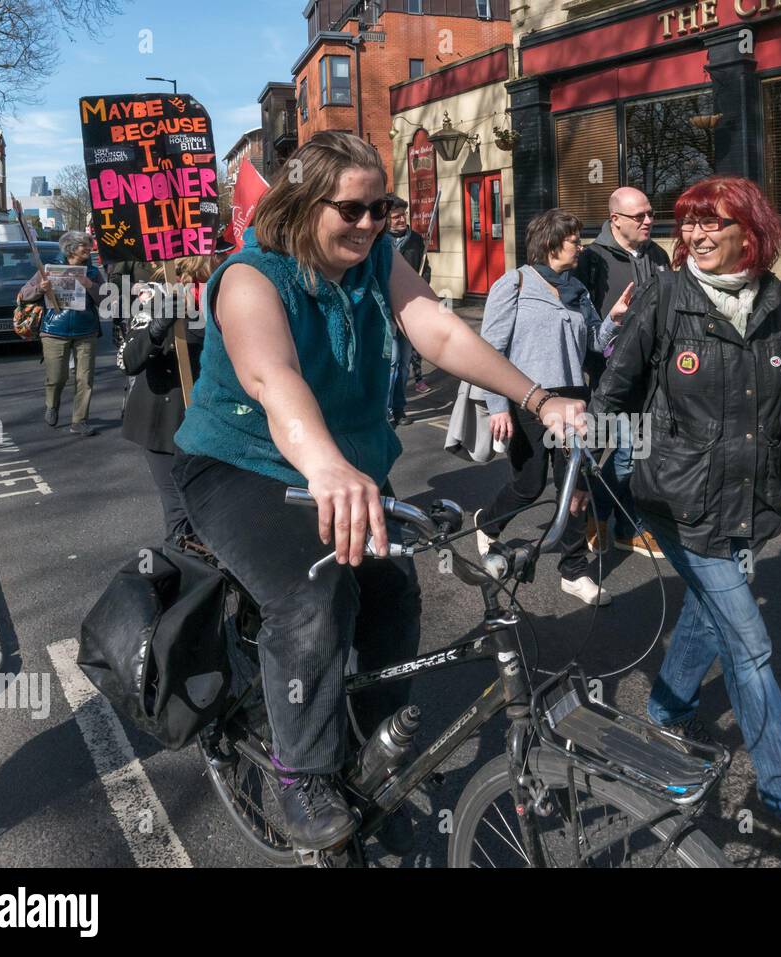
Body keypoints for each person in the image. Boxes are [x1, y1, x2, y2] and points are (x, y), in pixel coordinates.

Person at [170, 131, 586, 854]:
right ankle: (302, 773)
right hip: (245, 463)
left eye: (382, 208)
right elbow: (274, 379)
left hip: (348, 464)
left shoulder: (378, 262)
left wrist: (537, 397)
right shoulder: (249, 277)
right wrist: (325, 464)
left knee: (394, 592)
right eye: (353, 209)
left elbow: (440, 334)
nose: (371, 224)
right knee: (313, 596)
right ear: (301, 204)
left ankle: (379, 754)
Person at [590, 176, 781, 867]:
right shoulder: (666, 294)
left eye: (708, 222)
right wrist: (604, 470)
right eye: (686, 223)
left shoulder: (776, 302)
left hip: (748, 499)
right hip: (674, 498)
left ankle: (665, 708)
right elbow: (616, 386)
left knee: (708, 609)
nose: (692, 234)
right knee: (748, 644)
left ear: (750, 228)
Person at [475, 209, 628, 607]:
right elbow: (490, 351)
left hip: (573, 398)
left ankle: (574, 572)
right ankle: (487, 521)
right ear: (550, 243)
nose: (580, 245)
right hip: (527, 395)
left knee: (575, 487)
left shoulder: (577, 289)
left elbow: (596, 340)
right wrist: (498, 407)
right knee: (528, 486)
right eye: (574, 239)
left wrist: (613, 319)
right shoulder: (515, 283)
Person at [575, 186, 670, 558]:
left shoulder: (658, 255)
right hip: (612, 373)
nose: (649, 221)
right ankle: (611, 522)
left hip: (653, 373)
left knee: (639, 453)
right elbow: (580, 320)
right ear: (615, 219)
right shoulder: (592, 260)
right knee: (623, 453)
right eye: (639, 216)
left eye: (650, 214)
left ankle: (620, 522)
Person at [120, 255, 209, 541]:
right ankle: (189, 577)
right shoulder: (156, 296)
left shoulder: (225, 293)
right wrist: (157, 328)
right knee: (181, 515)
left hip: (211, 423)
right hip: (165, 423)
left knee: (211, 510)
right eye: (219, 250)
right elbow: (129, 361)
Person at [20, 231, 107, 436]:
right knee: (57, 377)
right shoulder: (49, 270)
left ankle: (79, 421)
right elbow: (24, 294)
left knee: (85, 379)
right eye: (84, 245)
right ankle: (52, 405)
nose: (88, 248)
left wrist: (90, 285)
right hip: (53, 330)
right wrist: (41, 289)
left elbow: (106, 301)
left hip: (86, 331)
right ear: (70, 248)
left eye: (89, 244)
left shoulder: (93, 273)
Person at [385, 195, 432, 423]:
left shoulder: (415, 240)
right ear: (386, 220)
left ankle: (399, 408)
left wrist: (422, 282)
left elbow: (426, 269)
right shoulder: (380, 242)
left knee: (404, 363)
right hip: (387, 312)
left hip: (410, 310)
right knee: (392, 362)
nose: (400, 220)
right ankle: (386, 411)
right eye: (395, 217)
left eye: (403, 215)